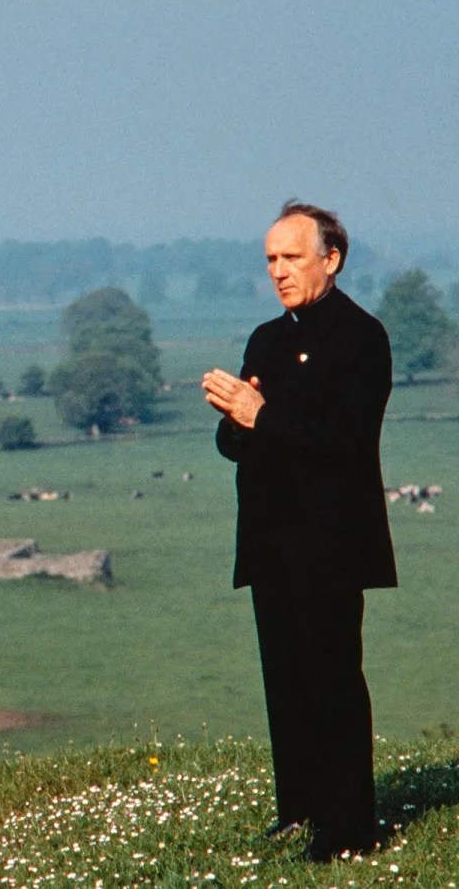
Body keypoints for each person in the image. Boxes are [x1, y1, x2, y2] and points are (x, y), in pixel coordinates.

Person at [202, 200, 396, 862]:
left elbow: (344, 443)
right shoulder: (266, 340)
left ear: (331, 259)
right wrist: (232, 421)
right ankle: (300, 810)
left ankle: (349, 829)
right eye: (270, 260)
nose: (279, 272)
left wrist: (261, 417)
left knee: (333, 679)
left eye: (291, 257)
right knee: (284, 677)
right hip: (272, 538)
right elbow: (240, 445)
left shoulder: (361, 339)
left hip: (330, 540)